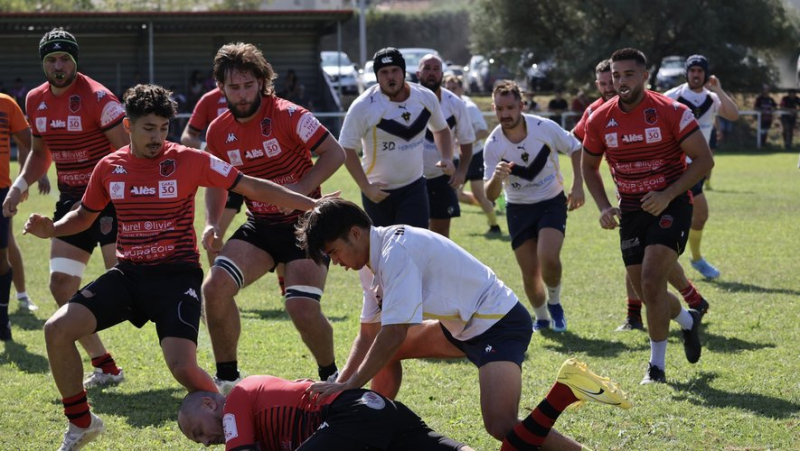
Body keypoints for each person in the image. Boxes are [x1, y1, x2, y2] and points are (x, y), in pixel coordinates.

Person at [23, 83, 325, 451]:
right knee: (56, 329)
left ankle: (239, 418)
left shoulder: (189, 159)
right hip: (129, 275)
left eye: (163, 128)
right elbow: (84, 216)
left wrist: (307, 203)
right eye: (149, 128)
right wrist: (51, 228)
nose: (157, 137)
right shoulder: (109, 168)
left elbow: (252, 186)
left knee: (183, 369)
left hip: (176, 278)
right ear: (129, 126)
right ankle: (82, 423)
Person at [295, 198, 631, 449]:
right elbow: (369, 333)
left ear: (355, 233)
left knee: (499, 424)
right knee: (384, 356)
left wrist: (351, 384)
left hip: (499, 324)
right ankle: (368, 424)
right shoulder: (368, 262)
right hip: (459, 327)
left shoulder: (395, 253)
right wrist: (345, 386)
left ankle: (570, 398)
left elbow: (394, 332)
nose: (335, 262)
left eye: (334, 252)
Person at [202, 42, 345, 392]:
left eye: (249, 85)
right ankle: (227, 382)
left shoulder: (289, 115)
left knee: (300, 307)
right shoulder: (218, 131)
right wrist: (210, 222)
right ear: (220, 87)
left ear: (262, 81)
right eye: (233, 87)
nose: (242, 93)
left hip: (306, 226)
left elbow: (334, 153)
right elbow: (215, 182)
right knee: (214, 288)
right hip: (261, 226)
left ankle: (332, 377)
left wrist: (300, 189)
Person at [3, 28, 127, 387]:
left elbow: (125, 155)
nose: (58, 66)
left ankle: (180, 306)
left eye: (65, 59)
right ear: (43, 63)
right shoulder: (35, 100)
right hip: (72, 202)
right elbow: (41, 154)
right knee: (60, 285)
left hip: (108, 201)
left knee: (126, 282)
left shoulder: (99, 98)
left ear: (75, 61)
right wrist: (19, 184)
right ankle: (105, 366)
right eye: (51, 60)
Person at [582, 48, 709, 384]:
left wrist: (667, 193)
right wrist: (603, 206)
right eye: (616, 75)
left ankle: (656, 367)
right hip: (631, 210)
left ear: (644, 76)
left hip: (673, 205)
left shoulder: (670, 111)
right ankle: (687, 320)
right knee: (646, 292)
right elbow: (589, 166)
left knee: (652, 281)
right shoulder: (599, 119)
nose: (621, 81)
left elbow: (704, 160)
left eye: (629, 74)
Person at [483, 80, 583, 333]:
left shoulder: (544, 127)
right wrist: (496, 177)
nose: (505, 114)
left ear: (521, 105)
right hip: (518, 208)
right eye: (499, 109)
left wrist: (578, 184)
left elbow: (575, 148)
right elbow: (490, 195)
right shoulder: (493, 145)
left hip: (551, 201)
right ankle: (541, 317)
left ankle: (555, 303)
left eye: (510, 108)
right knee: (529, 272)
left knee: (548, 257)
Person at [178, 374, 473, 450]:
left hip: (348, 414)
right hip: (372, 410)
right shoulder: (259, 430)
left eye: (199, 432)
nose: (205, 443)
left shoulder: (237, 399)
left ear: (209, 403)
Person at [339, 47, 454, 228]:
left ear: (404, 72)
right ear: (377, 77)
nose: (390, 77)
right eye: (384, 72)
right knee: (383, 253)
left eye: (395, 71)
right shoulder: (363, 106)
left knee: (415, 246)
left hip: (414, 187)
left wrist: (446, 156)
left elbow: (441, 129)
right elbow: (346, 147)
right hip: (378, 193)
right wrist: (365, 187)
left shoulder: (425, 97)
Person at [664, 55, 739, 280]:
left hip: (698, 165)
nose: (696, 74)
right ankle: (677, 259)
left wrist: (720, 89)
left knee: (698, 217)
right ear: (687, 73)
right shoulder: (674, 96)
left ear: (706, 74)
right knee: (689, 213)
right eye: (692, 70)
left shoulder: (712, 98)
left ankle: (694, 258)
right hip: (676, 166)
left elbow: (733, 115)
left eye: (700, 71)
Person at [179, 86, 245, 267]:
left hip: (257, 170)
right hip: (225, 175)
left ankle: (283, 289)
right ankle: (216, 283)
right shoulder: (209, 99)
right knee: (214, 235)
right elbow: (186, 136)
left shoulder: (252, 96)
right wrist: (204, 147)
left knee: (277, 228)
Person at [417, 54, 475, 238]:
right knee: (415, 231)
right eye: (427, 68)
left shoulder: (455, 104)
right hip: (411, 178)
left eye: (436, 69)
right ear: (418, 73)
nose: (431, 73)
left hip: (442, 177)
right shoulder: (406, 100)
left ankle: (438, 267)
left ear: (442, 74)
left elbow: (466, 141)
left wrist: (461, 172)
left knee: (441, 234)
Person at [445, 75, 500, 234]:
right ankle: (491, 206)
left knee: (478, 193)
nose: (450, 91)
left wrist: (465, 141)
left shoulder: (469, 107)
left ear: (462, 89)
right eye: (448, 88)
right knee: (454, 194)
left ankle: (494, 225)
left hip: (474, 156)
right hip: (456, 157)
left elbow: (483, 131)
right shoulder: (443, 106)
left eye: (454, 88)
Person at [0, 93, 32, 339]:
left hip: (1, 189)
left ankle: (7, 312)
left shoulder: (6, 103)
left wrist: (23, 180)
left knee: (4, 249)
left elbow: (29, 144)